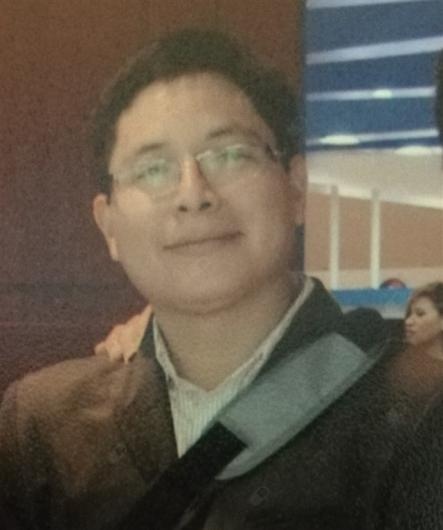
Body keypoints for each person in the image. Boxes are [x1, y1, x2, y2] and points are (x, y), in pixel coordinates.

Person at [0, 28, 442, 530]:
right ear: (109, 226)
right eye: (152, 169)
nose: (193, 194)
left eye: (230, 155)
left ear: (296, 188)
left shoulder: (421, 416)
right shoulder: (42, 428)